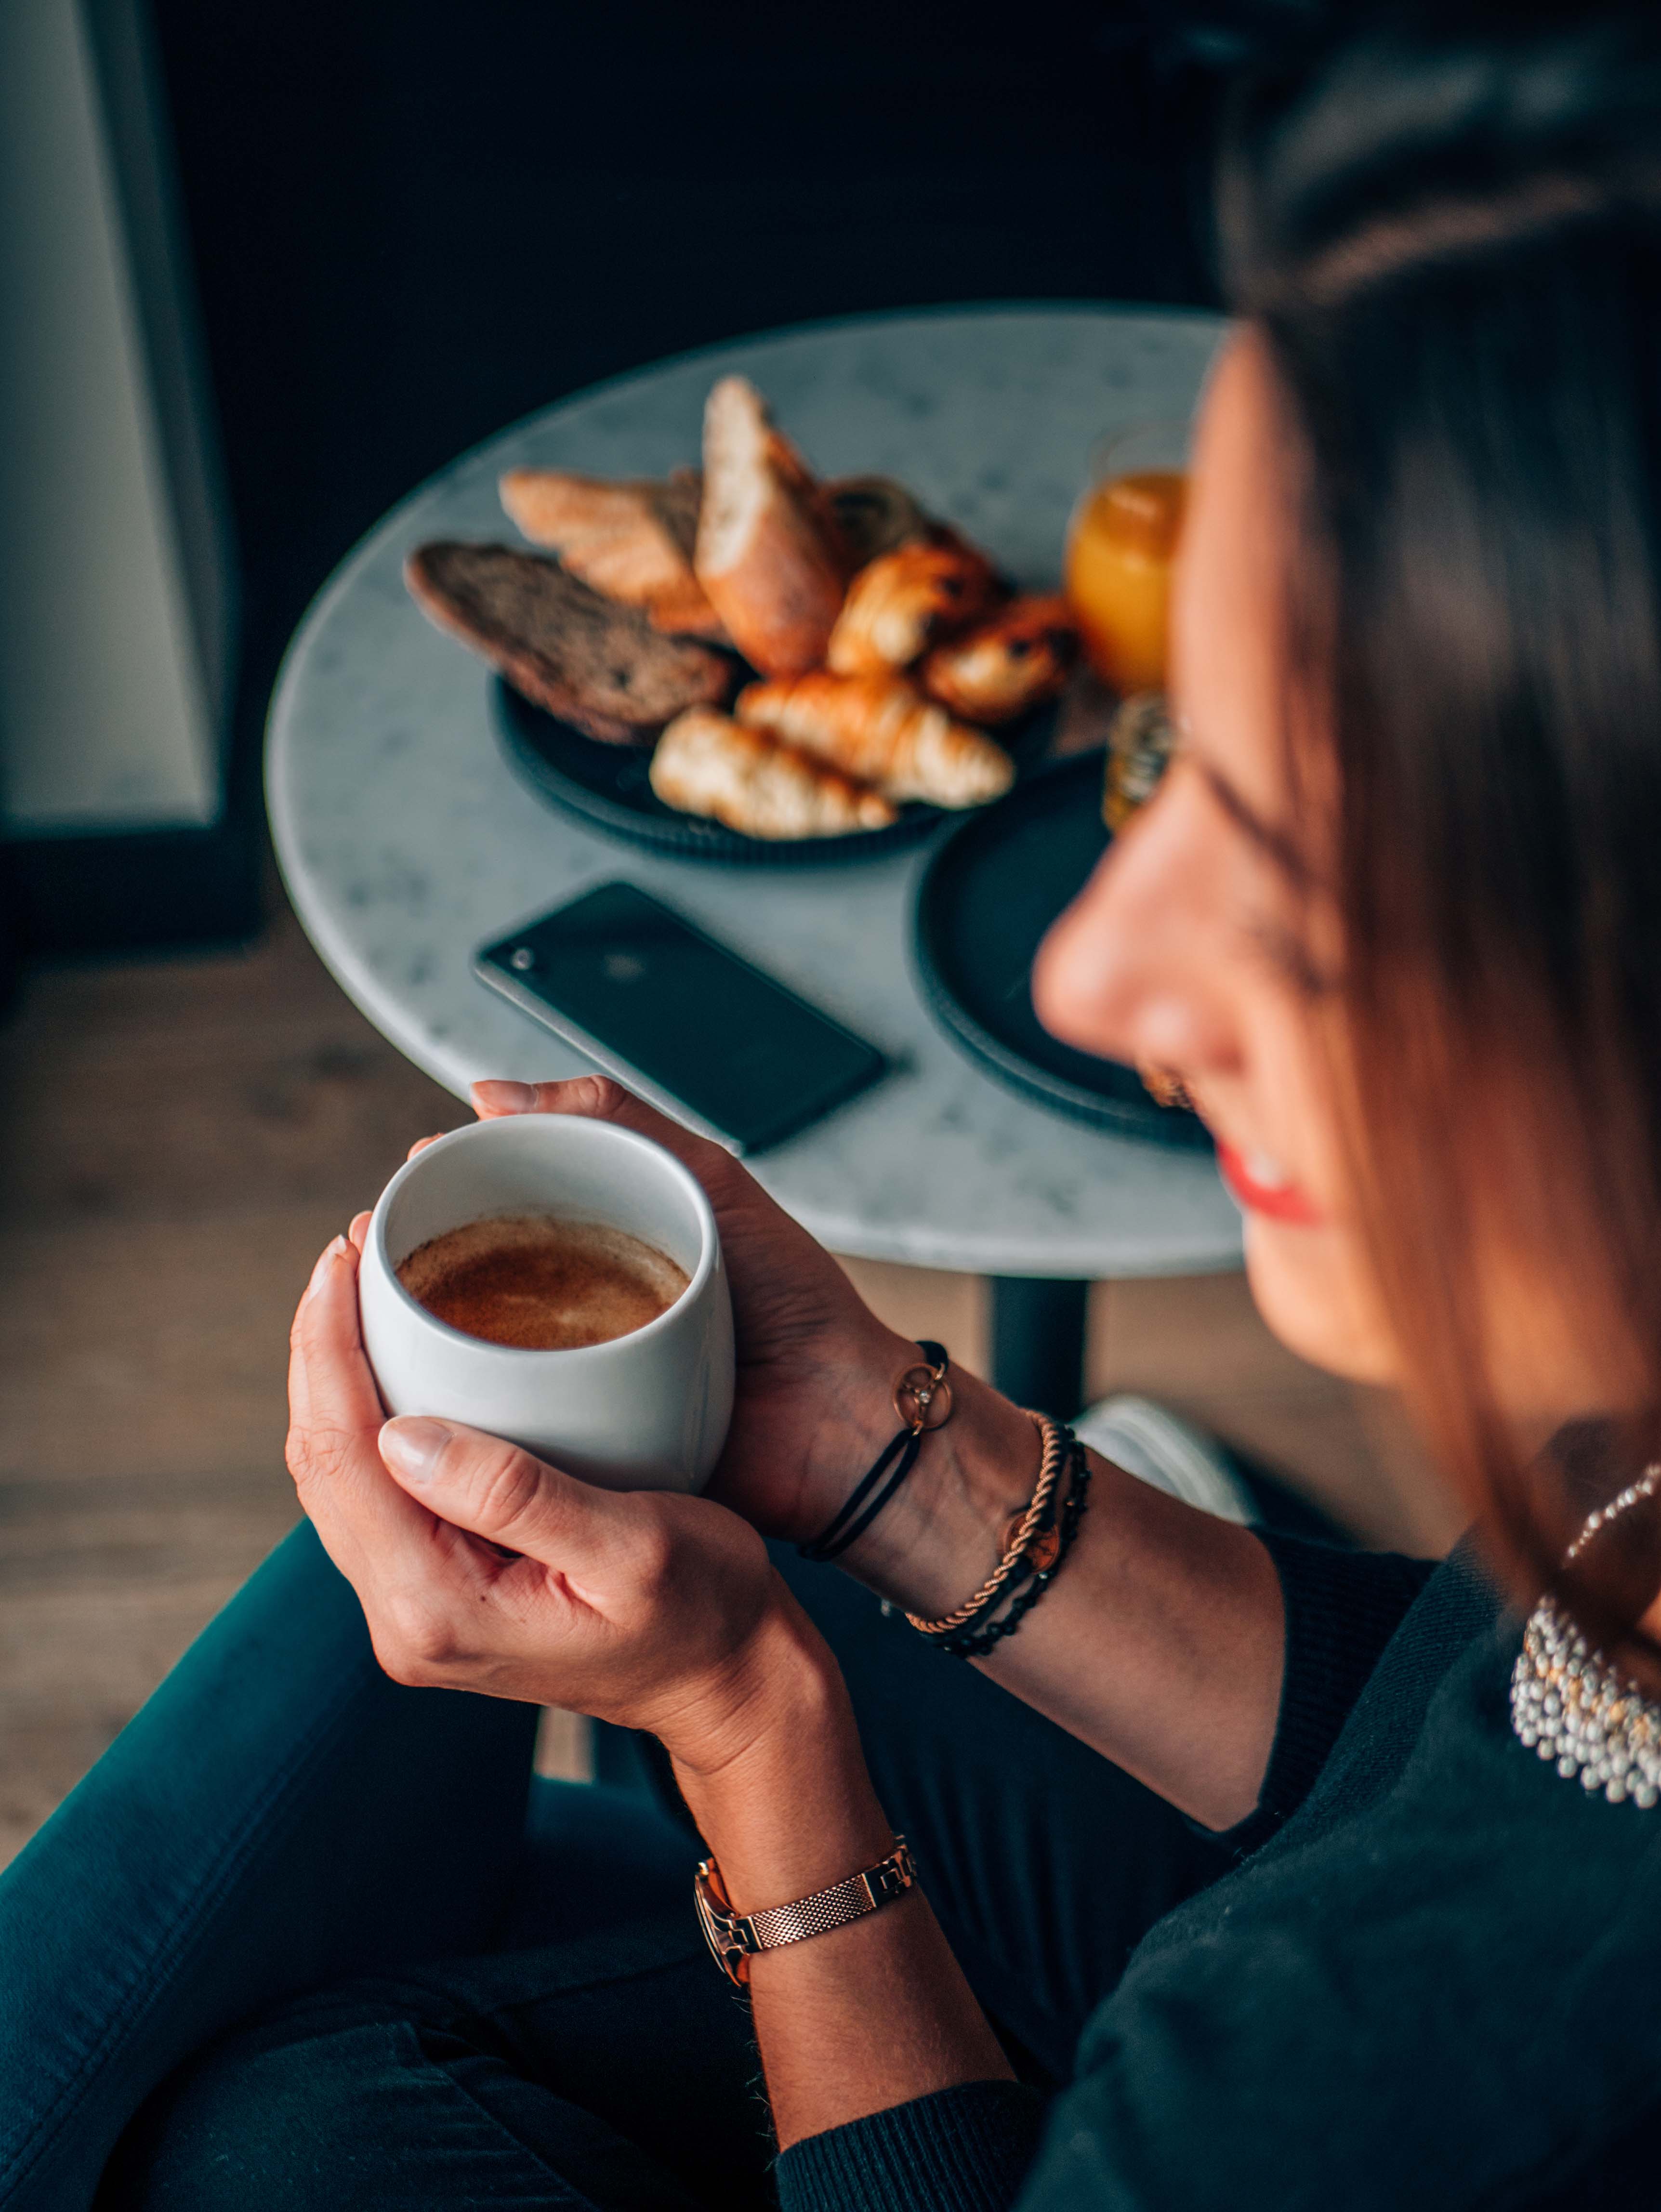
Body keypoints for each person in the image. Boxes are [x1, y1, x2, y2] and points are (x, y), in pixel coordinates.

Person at [10, 2, 1661, 2204]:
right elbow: (1467, 1726)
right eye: (1176, 764)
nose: (1097, 970)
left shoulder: (1352, 2099)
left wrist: (754, 1730)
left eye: (1300, 854)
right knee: (294, 2076)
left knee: (264, 2126)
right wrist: (884, 1437)